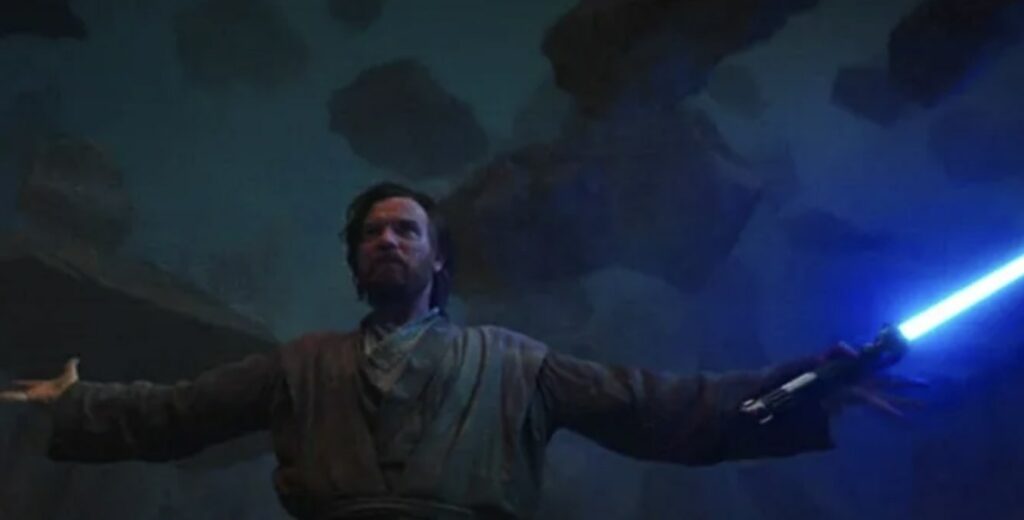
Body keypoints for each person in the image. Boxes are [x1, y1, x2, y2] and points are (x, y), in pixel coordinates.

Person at [0, 182, 907, 520]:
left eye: (407, 230)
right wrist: (75, 405)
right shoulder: (299, 365)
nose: (387, 240)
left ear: (438, 259)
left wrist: (804, 388)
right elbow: (178, 413)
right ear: (357, 264)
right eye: (372, 234)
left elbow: (658, 408)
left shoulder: (516, 363)